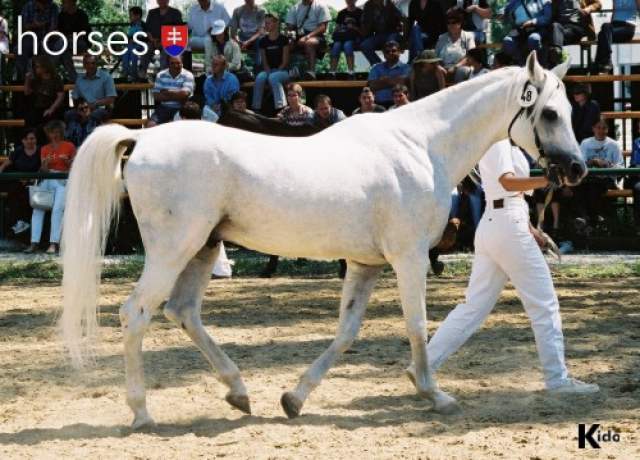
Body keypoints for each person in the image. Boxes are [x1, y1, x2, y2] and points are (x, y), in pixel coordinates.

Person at [422, 139, 600, 395]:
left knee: (472, 307)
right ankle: (557, 380)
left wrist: (530, 228)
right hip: (505, 224)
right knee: (544, 304)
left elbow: (509, 194)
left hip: (501, 223)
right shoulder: (498, 142)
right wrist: (546, 180)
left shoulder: (508, 143)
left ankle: (424, 366)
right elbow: (507, 183)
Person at [25, 120, 76, 255]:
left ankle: (54, 243)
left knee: (57, 209)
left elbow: (75, 166)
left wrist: (68, 163)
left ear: (61, 132)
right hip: (48, 177)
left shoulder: (69, 146)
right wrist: (45, 164)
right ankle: (34, 242)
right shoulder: (44, 148)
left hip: (63, 178)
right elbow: (43, 169)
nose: (54, 135)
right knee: (38, 208)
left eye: (57, 132)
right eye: (52, 132)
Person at [575, 119, 624, 224]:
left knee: (594, 186)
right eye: (598, 128)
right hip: (588, 177)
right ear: (593, 129)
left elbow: (620, 166)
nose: (601, 131)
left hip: (606, 178)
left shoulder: (613, 145)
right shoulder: (585, 143)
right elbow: (580, 163)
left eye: (604, 128)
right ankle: (586, 217)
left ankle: (590, 219)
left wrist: (606, 164)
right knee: (578, 185)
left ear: (608, 129)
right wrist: (592, 162)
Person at [0, 129, 41, 237]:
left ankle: (22, 223)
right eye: (27, 139)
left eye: (32, 138)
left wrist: (31, 179)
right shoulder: (18, 151)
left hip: (34, 183)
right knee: (13, 192)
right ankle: (17, 223)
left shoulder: (40, 151)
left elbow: (42, 168)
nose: (30, 141)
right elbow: (6, 164)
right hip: (18, 182)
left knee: (23, 194)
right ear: (23, 140)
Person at [252, 14, 290, 113]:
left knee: (273, 77)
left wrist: (275, 72)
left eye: (268, 23)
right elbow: (264, 62)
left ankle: (282, 109)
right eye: (265, 23)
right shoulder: (263, 41)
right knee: (260, 77)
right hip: (269, 71)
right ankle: (256, 108)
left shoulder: (284, 39)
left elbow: (285, 62)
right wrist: (269, 72)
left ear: (276, 23)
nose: (266, 25)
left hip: (283, 71)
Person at [24, 56, 65, 143]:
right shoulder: (35, 79)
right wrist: (27, 80)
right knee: (30, 120)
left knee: (47, 121)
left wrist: (51, 109)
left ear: (45, 67)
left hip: (52, 108)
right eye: (35, 66)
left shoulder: (56, 79)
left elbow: (60, 96)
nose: (36, 68)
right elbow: (27, 92)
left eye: (38, 66)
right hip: (38, 108)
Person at [286, 0, 331, 79]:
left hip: (317, 36)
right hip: (299, 36)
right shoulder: (294, 8)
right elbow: (290, 27)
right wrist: (290, 36)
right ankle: (289, 71)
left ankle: (311, 72)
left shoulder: (321, 6)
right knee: (285, 44)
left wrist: (307, 37)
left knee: (309, 42)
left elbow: (323, 27)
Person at [548, 0, 601, 66]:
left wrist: (589, 8)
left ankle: (556, 57)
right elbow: (552, 17)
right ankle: (557, 52)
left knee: (555, 38)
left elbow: (598, 4)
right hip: (562, 30)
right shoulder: (556, 1)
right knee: (555, 26)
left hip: (577, 28)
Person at [139, 0, 183, 79]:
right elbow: (147, 29)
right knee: (146, 49)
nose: (162, 1)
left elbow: (179, 30)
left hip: (170, 41)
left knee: (166, 53)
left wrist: (164, 41)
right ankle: (141, 76)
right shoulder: (152, 12)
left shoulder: (175, 13)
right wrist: (153, 40)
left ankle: (164, 76)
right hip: (152, 41)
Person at [16, 0, 59, 78]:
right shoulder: (28, 6)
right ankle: (23, 77)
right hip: (30, 37)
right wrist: (35, 25)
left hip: (49, 39)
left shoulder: (53, 7)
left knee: (57, 48)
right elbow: (23, 26)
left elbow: (53, 26)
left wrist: (47, 37)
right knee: (21, 49)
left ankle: (49, 77)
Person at [593, 0, 639, 73]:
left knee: (603, 32)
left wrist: (634, 22)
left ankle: (601, 64)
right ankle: (603, 63)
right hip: (614, 26)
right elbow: (614, 11)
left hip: (627, 27)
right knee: (602, 33)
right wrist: (608, 30)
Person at [501, 0, 552, 66]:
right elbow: (505, 9)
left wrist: (533, 22)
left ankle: (537, 65)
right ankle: (521, 64)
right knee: (507, 41)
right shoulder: (514, 1)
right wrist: (501, 13)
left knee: (533, 39)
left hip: (537, 29)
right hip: (520, 30)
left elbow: (547, 18)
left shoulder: (543, 1)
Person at [149, 55, 195, 126]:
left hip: (182, 108)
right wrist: (178, 95)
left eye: (178, 63)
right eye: (172, 63)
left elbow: (185, 94)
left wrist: (167, 92)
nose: (175, 65)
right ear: (168, 64)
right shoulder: (160, 75)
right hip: (164, 108)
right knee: (151, 125)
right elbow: (156, 96)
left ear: (182, 63)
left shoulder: (188, 75)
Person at [187, 0, 230, 73]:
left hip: (215, 39)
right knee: (184, 43)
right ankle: (187, 71)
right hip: (197, 39)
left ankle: (212, 70)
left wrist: (216, 28)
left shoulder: (220, 8)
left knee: (210, 42)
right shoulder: (193, 10)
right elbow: (189, 27)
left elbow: (228, 24)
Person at [53, 0, 90, 82]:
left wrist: (69, 37)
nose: (62, 4)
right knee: (65, 54)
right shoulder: (62, 15)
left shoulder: (82, 15)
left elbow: (83, 33)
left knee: (63, 45)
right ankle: (76, 79)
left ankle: (51, 67)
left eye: (64, 2)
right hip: (66, 44)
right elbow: (59, 31)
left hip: (79, 42)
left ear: (71, 2)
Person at [435, 8, 475, 83]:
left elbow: (472, 55)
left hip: (461, 68)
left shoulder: (468, 36)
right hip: (444, 70)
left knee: (462, 71)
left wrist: (456, 67)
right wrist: (439, 67)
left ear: (460, 23)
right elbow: (435, 57)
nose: (451, 25)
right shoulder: (442, 38)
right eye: (448, 23)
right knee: (436, 71)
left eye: (454, 22)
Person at [72, 54, 117, 119]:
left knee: (94, 114)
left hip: (101, 108)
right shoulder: (80, 78)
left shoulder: (106, 76)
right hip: (84, 108)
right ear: (84, 65)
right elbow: (75, 98)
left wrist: (94, 104)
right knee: (69, 114)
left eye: (93, 63)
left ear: (97, 64)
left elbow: (111, 99)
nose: (90, 66)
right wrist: (81, 108)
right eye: (87, 63)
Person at [367, 40, 411, 107]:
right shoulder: (376, 68)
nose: (390, 53)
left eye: (394, 51)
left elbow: (405, 82)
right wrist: (395, 80)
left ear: (399, 52)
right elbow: (372, 86)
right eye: (387, 51)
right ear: (384, 54)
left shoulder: (407, 68)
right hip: (379, 105)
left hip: (400, 104)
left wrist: (383, 81)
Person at [360, 0, 403, 66]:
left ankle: (393, 66)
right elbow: (365, 25)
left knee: (390, 44)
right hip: (378, 35)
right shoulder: (368, 5)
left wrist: (405, 39)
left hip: (392, 33)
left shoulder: (390, 3)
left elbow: (404, 19)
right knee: (365, 45)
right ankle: (379, 66)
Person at [229, 0, 266, 72]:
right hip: (242, 37)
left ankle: (258, 67)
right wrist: (238, 41)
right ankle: (235, 67)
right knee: (231, 44)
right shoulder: (237, 11)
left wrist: (248, 41)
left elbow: (261, 31)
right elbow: (233, 30)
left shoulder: (261, 11)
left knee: (261, 41)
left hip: (256, 38)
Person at [122, 6, 146, 82]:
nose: (130, 17)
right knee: (125, 54)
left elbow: (144, 37)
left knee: (133, 53)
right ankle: (126, 73)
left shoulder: (143, 25)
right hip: (131, 45)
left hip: (139, 45)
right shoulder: (132, 25)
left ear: (138, 15)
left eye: (131, 15)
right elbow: (129, 36)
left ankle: (134, 75)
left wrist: (135, 40)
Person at [626, 120, 640, 235]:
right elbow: (635, 163)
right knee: (638, 188)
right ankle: (638, 225)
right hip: (638, 176)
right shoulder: (637, 142)